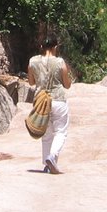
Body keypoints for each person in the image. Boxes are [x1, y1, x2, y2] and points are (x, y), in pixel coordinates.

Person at [27, 34, 73, 174]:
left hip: (41, 101)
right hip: (58, 100)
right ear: (55, 47)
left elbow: (31, 82)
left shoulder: (33, 61)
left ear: (41, 47)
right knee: (60, 132)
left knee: (46, 135)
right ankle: (52, 157)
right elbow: (67, 85)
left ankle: (47, 164)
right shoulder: (60, 62)